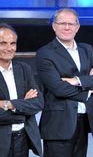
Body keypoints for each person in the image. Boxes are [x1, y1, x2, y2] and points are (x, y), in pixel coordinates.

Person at [35, 8, 93, 157]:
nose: (67, 27)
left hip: (83, 121)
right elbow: (59, 89)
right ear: (54, 26)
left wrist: (77, 81)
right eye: (62, 23)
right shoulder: (45, 53)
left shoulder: (87, 49)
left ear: (77, 27)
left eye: (71, 23)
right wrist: (88, 89)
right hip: (58, 125)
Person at [0, 24, 43, 157]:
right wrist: (24, 108)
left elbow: (38, 103)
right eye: (3, 43)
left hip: (23, 139)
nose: (9, 48)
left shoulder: (24, 69)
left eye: (13, 43)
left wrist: (9, 104)